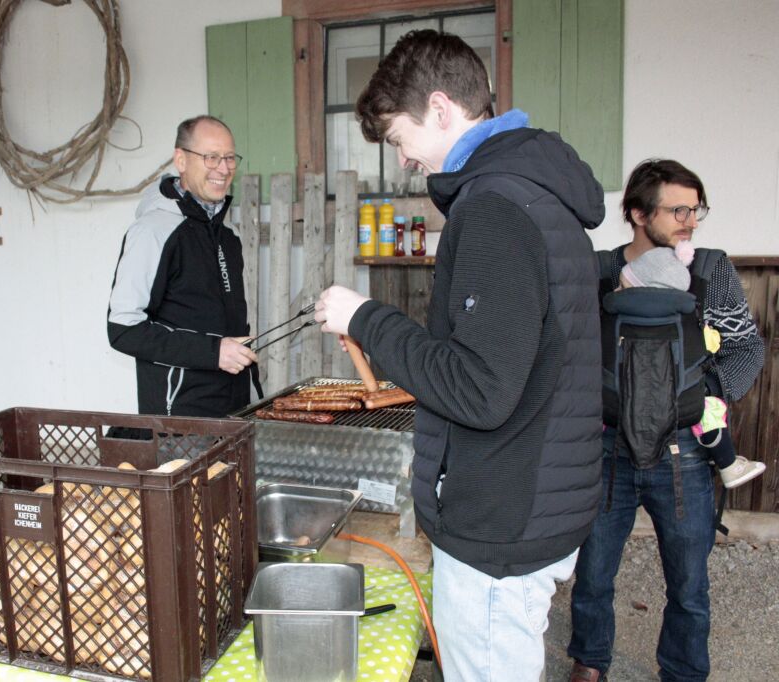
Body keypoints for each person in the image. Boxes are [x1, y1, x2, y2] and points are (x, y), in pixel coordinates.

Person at [313, 30, 605, 680]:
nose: (404, 160)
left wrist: (365, 318)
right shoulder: (536, 193)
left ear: (441, 109)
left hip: (503, 524)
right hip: (538, 500)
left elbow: (479, 389)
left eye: (398, 139)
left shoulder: (495, 208)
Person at [569, 159, 766, 682]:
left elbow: (746, 346)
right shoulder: (600, 271)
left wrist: (706, 396)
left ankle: (682, 672)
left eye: (695, 209)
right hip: (607, 447)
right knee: (592, 573)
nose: (691, 221)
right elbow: (569, 352)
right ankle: (589, 663)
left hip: (685, 451)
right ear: (637, 213)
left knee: (689, 582)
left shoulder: (709, 270)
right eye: (678, 209)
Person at [107, 115, 256, 418]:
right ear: (181, 160)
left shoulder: (228, 235)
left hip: (235, 411)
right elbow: (122, 329)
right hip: (181, 421)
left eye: (229, 158)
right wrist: (213, 353)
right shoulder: (152, 232)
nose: (224, 169)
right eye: (211, 157)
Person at [616, 240, 765, 489]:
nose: (617, 292)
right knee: (708, 415)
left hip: (643, 400)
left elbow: (744, 349)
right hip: (678, 394)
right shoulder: (684, 322)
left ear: (646, 293)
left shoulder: (625, 319)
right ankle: (728, 464)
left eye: (624, 286)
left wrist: (709, 387)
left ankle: (728, 464)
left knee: (707, 411)